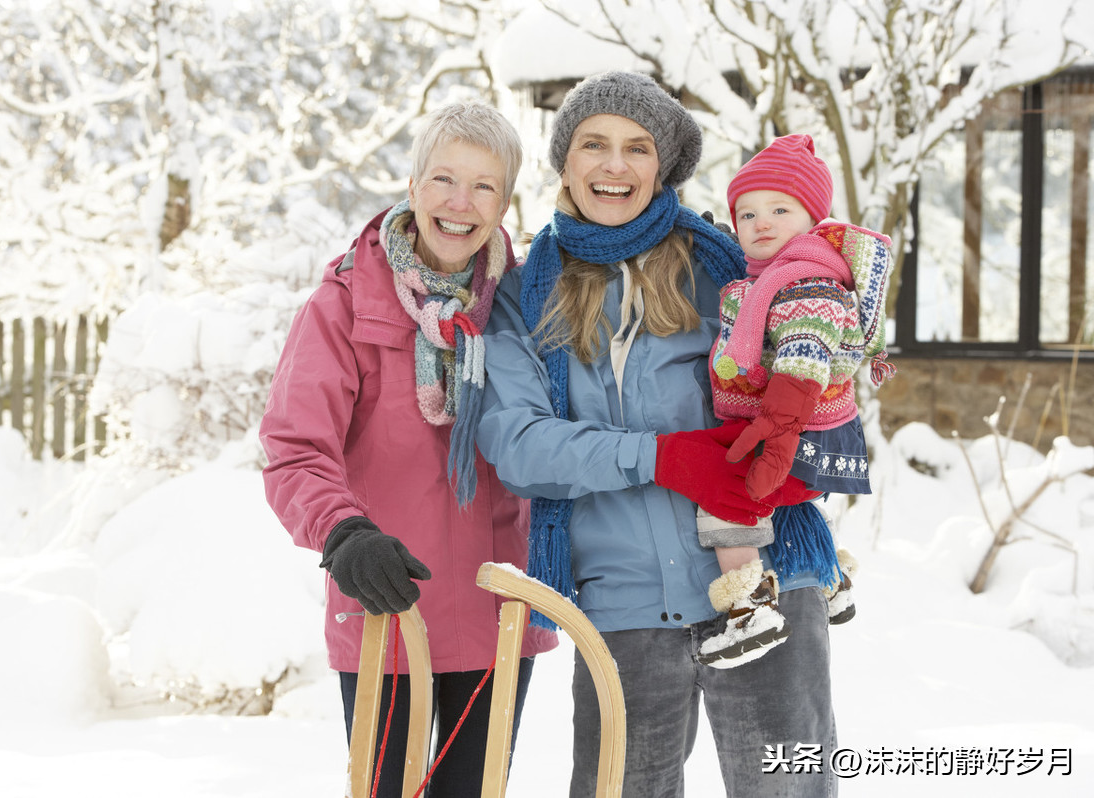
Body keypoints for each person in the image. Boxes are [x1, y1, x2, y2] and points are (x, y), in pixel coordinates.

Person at [475, 71, 839, 797]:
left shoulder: (729, 267)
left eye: (637, 148)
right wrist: (661, 457)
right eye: (594, 144)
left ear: (663, 165)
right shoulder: (526, 291)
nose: (615, 166)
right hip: (624, 609)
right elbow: (516, 442)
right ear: (565, 160)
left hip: (761, 585)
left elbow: (818, 358)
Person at [259, 102, 556, 798]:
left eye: (484, 186)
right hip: (386, 604)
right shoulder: (343, 304)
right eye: (445, 180)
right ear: (414, 184)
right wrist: (344, 532)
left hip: (497, 612)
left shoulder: (525, 303)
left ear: (505, 200)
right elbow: (295, 451)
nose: (461, 203)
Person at [694, 133, 895, 668]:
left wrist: (779, 433)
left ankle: (747, 608)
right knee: (787, 505)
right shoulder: (776, 276)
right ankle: (832, 580)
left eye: (780, 209)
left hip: (792, 424)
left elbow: (804, 356)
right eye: (748, 213)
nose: (761, 222)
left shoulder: (804, 280)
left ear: (813, 220)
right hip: (810, 426)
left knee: (727, 499)